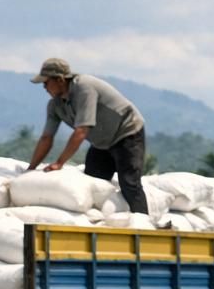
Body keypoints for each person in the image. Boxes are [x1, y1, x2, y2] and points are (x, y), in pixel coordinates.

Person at [28, 57, 149, 215]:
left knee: (129, 182)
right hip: (101, 142)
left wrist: (59, 163)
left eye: (46, 82)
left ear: (60, 80)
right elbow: (46, 138)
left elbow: (81, 131)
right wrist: (31, 168)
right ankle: (99, 220)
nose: (44, 87)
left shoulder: (84, 88)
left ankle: (143, 223)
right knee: (92, 181)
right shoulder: (55, 105)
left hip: (126, 133)